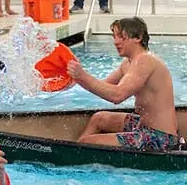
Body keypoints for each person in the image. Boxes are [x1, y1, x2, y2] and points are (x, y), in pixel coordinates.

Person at [65, 17, 181, 151]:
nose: (115, 42)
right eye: (114, 37)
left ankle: (75, 154)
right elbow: (102, 85)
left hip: (161, 137)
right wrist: (75, 79)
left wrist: (83, 76)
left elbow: (117, 95)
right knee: (99, 118)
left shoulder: (146, 60)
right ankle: (75, 153)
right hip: (143, 126)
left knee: (87, 142)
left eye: (121, 37)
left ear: (137, 37)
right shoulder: (128, 63)